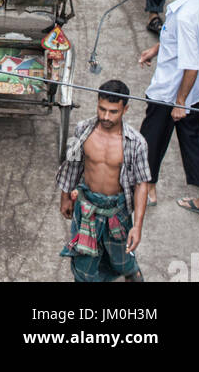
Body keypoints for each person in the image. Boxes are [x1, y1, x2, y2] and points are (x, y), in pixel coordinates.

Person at [56, 80, 149, 284]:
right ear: (97, 103)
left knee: (122, 256)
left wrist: (138, 226)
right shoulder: (83, 130)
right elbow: (73, 165)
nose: (106, 116)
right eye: (102, 109)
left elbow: (142, 184)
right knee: (84, 265)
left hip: (118, 210)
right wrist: (65, 197)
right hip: (87, 207)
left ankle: (132, 272)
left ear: (125, 109)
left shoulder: (136, 143)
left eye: (113, 111)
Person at [139, 0, 199, 219]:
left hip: (171, 92)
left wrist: (179, 102)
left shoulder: (185, 17)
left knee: (151, 139)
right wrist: (156, 49)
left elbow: (190, 65)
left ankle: (149, 190)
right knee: (192, 142)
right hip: (196, 91)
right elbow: (177, 41)